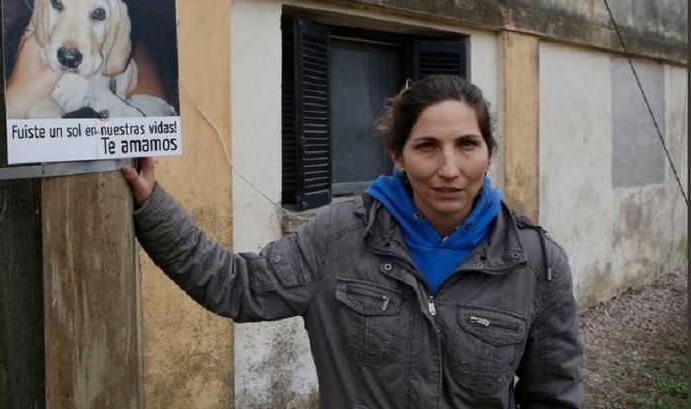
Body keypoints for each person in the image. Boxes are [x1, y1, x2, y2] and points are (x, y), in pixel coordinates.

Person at [121, 75, 583, 409]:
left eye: (467, 144)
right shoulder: (338, 237)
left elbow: (554, 395)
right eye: (426, 147)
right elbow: (234, 286)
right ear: (397, 155)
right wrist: (151, 205)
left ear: (487, 152)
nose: (449, 168)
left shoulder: (537, 264)